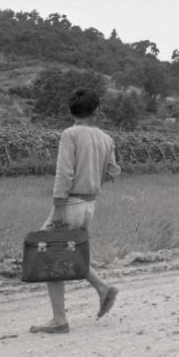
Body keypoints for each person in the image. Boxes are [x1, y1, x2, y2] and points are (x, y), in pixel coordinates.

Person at [30, 88, 121, 334]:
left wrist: (59, 207)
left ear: (71, 110)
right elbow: (114, 171)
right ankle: (103, 289)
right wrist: (94, 174)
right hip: (89, 204)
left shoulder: (70, 134)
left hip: (70, 204)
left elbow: (64, 173)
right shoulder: (106, 138)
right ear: (96, 110)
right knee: (65, 253)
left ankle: (59, 320)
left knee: (50, 254)